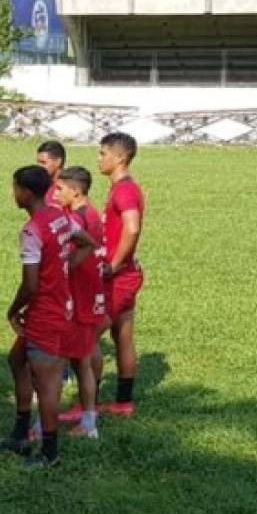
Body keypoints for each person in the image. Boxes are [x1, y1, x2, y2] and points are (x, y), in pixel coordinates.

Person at [2, 165, 97, 468]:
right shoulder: (59, 216)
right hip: (57, 307)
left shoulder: (32, 231)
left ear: (26, 192)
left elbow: (30, 284)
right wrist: (65, 268)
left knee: (47, 385)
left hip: (45, 314)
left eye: (15, 187)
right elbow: (88, 241)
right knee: (16, 360)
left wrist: (13, 310)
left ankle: (49, 452)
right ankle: (20, 434)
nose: (13, 193)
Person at [53, 167, 108, 439]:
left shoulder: (78, 219)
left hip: (79, 298)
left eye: (60, 189)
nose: (56, 193)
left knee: (64, 361)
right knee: (83, 359)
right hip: (92, 296)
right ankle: (88, 420)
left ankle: (56, 424)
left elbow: (72, 259)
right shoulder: (93, 214)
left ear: (75, 190)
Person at [97, 132, 145, 416]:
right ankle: (123, 403)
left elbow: (133, 227)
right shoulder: (120, 188)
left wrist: (113, 265)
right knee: (123, 336)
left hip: (119, 277)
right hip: (128, 274)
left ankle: (86, 405)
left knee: (88, 339)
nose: (99, 159)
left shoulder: (125, 190)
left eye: (103, 153)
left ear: (120, 158)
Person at [36, 139, 66, 208]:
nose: (39, 167)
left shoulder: (68, 189)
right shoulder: (41, 186)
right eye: (38, 163)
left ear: (58, 162)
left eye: (43, 163)